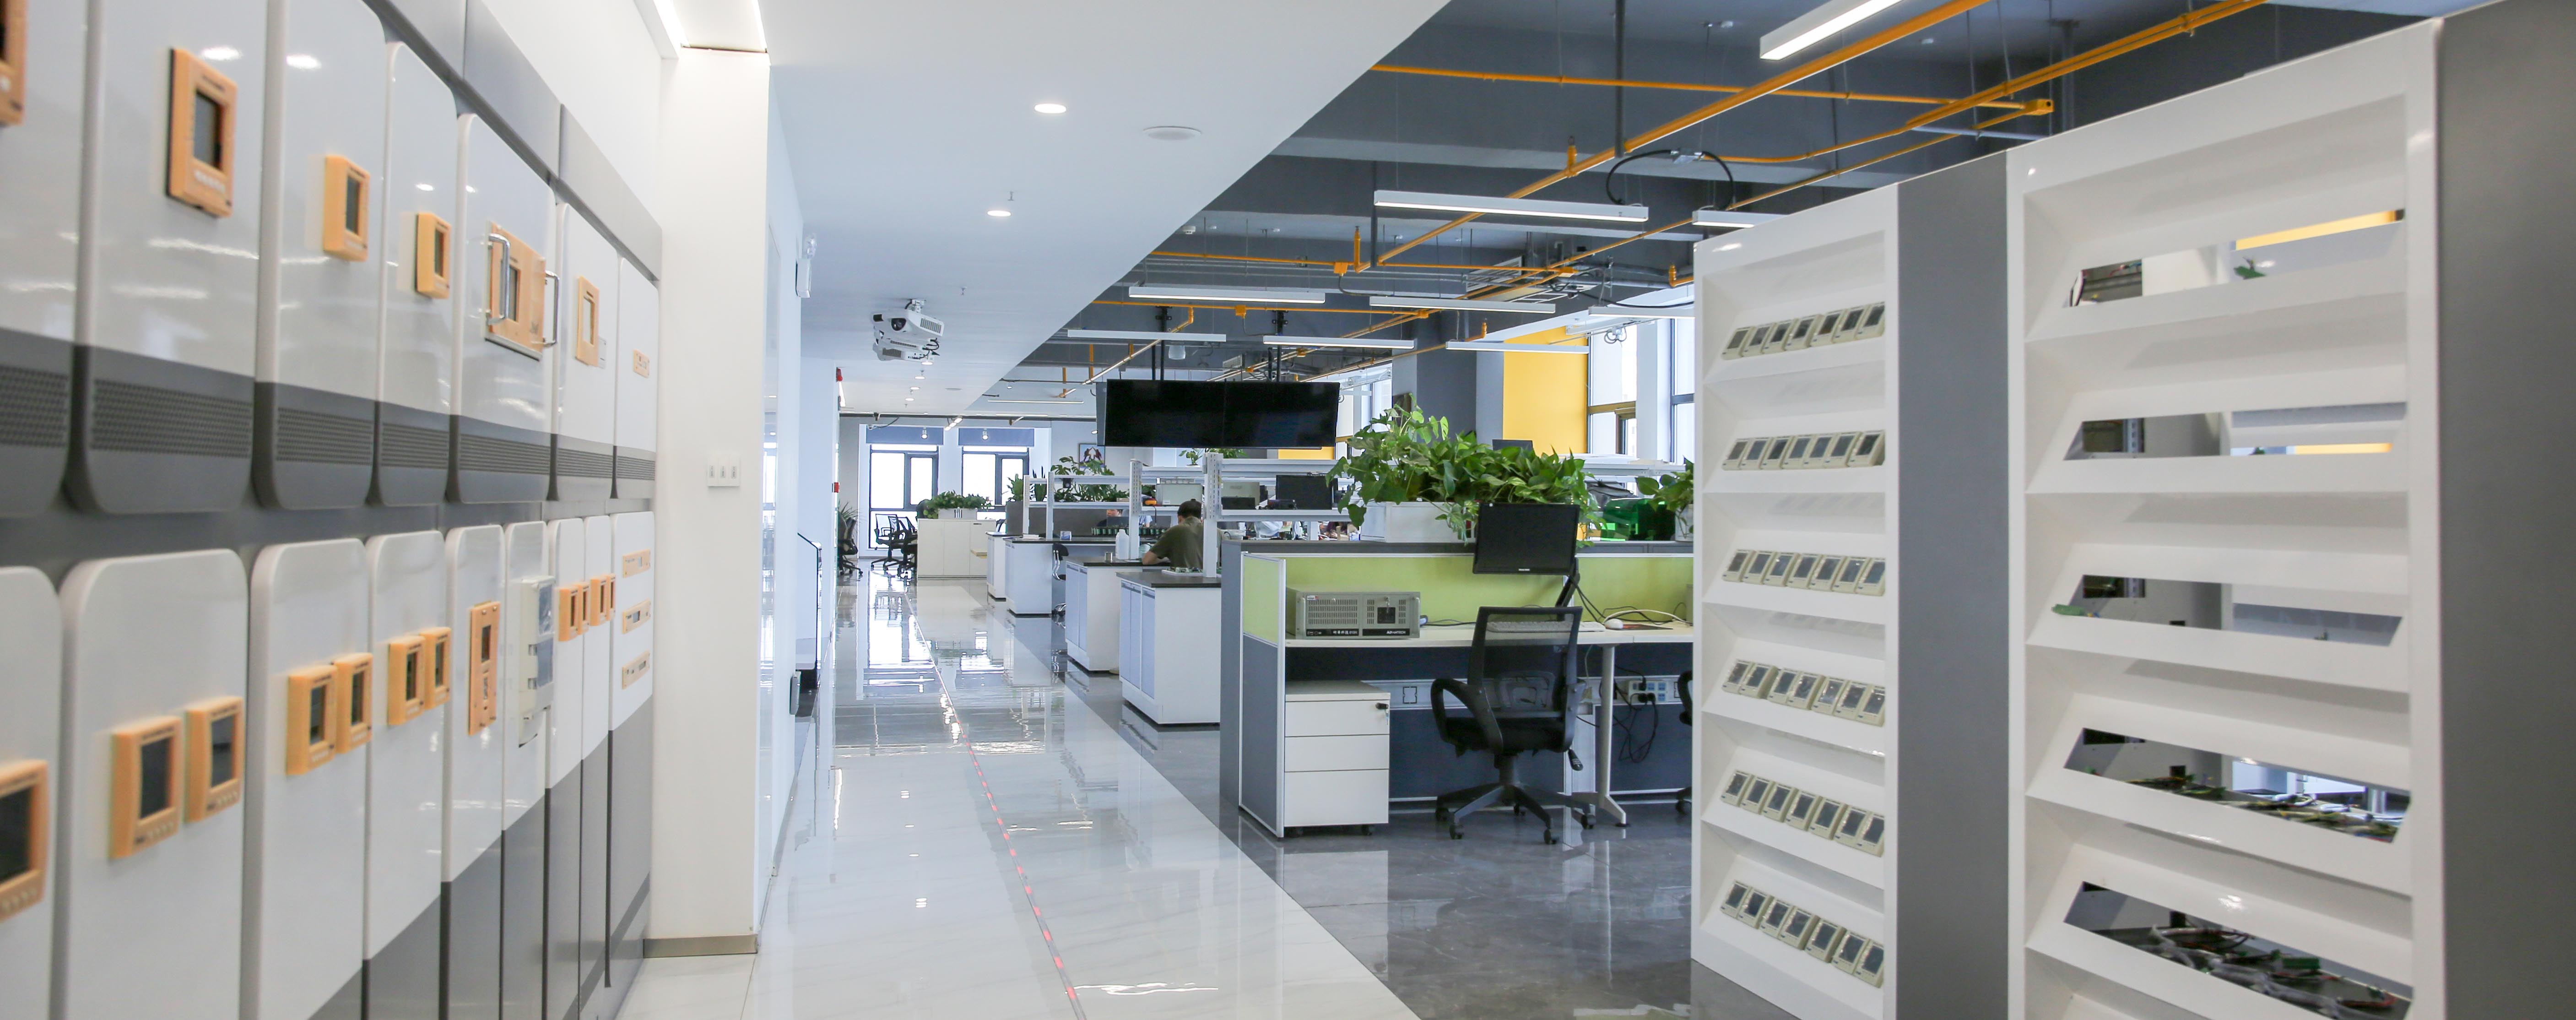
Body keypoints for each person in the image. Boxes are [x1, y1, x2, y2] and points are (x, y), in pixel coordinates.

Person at [1142, 499, 1203, 570]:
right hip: (1210, 577)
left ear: (1179, 518)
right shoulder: (1213, 532)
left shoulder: (1175, 530)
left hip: (1182, 577)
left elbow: (1147, 560)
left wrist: (1167, 559)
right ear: (1201, 518)